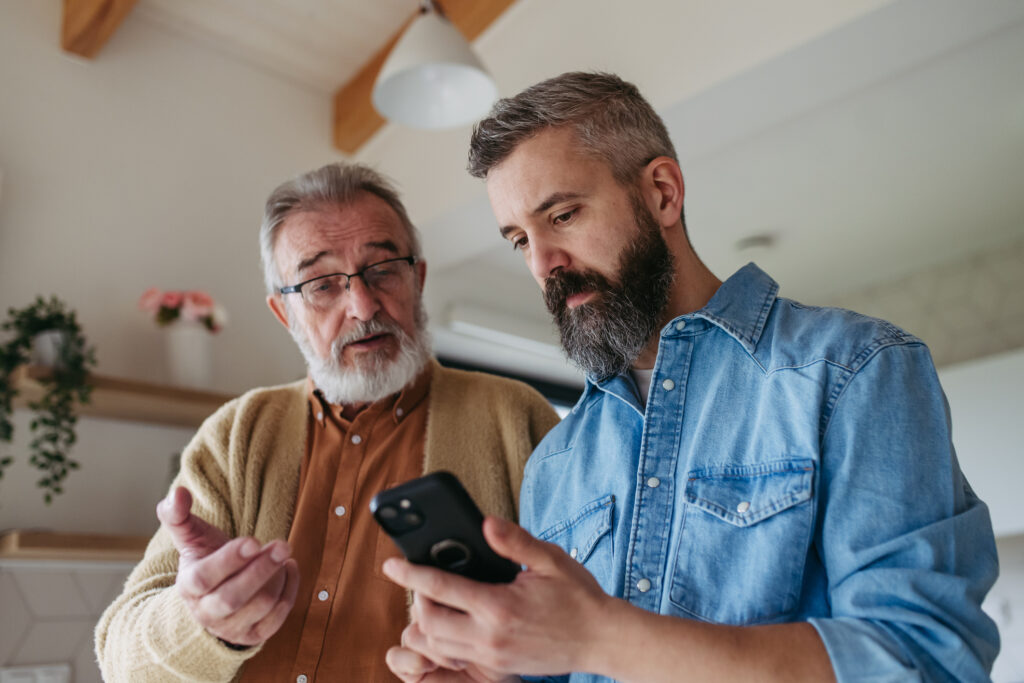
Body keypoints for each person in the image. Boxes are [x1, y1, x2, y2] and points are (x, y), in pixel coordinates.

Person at [383, 72, 1001, 682]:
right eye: (520, 239)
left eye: (564, 215)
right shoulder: (557, 462)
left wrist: (599, 635)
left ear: (662, 193)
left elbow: (928, 660)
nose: (544, 264)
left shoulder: (855, 370)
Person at [95, 162, 560, 682]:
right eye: (321, 284)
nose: (362, 307)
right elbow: (121, 662)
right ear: (282, 313)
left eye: (383, 270)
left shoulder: (519, 418)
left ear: (418, 279)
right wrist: (200, 619)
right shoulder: (235, 434)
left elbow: (587, 629)